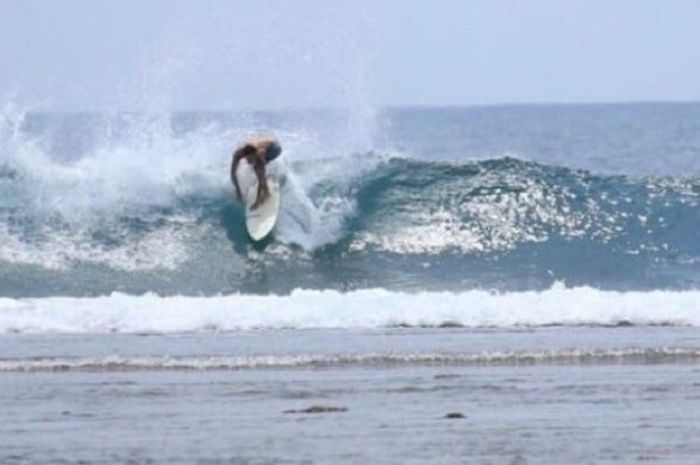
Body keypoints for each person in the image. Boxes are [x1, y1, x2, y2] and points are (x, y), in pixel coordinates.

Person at [230, 138, 282, 210]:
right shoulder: (237, 154)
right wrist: (237, 190)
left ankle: (266, 193)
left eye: (253, 158)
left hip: (275, 148)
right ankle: (265, 188)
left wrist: (257, 202)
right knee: (254, 166)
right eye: (250, 158)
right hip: (262, 147)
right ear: (245, 155)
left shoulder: (259, 154)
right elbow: (233, 173)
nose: (251, 160)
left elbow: (261, 179)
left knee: (258, 169)